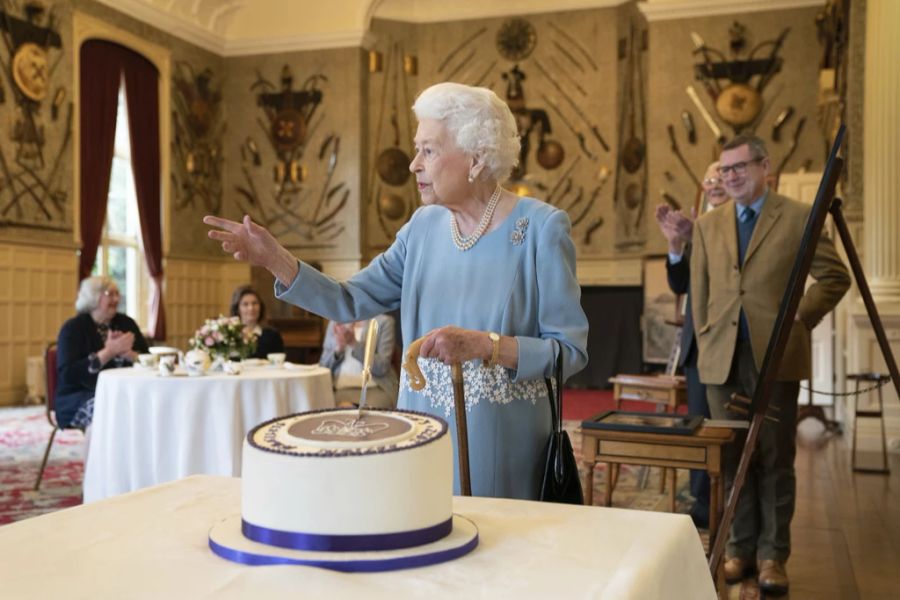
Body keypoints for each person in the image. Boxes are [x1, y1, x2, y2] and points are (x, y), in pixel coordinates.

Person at [205, 82, 589, 500]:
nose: (413, 165)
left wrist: (487, 345)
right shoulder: (420, 229)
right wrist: (274, 258)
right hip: (421, 433)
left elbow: (569, 351)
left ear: (476, 158)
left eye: (428, 150)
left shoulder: (540, 228)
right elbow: (348, 300)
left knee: (497, 557)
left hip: (505, 446)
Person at [691, 134, 850, 595]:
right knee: (734, 455)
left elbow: (835, 277)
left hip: (776, 357)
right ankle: (739, 547)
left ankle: (772, 555)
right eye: (725, 170)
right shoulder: (708, 224)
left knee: (776, 458)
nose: (731, 177)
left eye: (740, 167)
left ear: (766, 167)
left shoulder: (799, 217)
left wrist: (800, 315)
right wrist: (706, 336)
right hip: (723, 359)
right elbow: (700, 294)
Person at [654, 161, 729, 529]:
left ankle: (732, 502)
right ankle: (702, 505)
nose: (715, 183)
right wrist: (675, 244)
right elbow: (681, 283)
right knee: (698, 425)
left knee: (726, 428)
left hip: (733, 342)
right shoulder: (696, 223)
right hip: (698, 345)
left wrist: (695, 234)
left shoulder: (737, 225)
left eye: (722, 177)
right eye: (710, 178)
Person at [56, 276, 149, 429]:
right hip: (78, 396)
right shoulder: (73, 328)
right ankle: (99, 454)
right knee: (109, 410)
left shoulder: (127, 323)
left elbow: (148, 359)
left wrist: (130, 355)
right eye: (110, 294)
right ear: (93, 297)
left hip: (126, 392)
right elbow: (68, 374)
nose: (116, 299)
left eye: (117, 294)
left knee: (147, 406)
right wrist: (109, 352)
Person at [320, 315, 400, 409]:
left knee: (363, 415)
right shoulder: (335, 322)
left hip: (375, 388)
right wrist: (339, 349)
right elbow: (323, 366)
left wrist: (353, 343)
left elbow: (382, 368)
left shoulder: (383, 322)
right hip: (340, 389)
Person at [230, 284, 284, 359]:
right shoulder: (230, 334)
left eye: (254, 303)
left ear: (260, 307)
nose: (251, 308)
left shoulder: (272, 335)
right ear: (237, 309)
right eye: (245, 304)